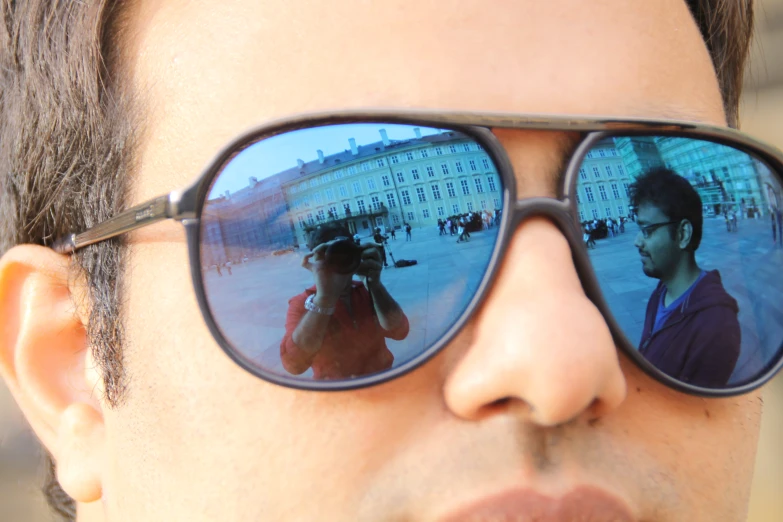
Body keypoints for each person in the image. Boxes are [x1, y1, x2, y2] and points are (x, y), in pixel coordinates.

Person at [0, 2, 774, 522]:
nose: (561, 360)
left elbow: (398, 325)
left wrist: (368, 286)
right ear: (71, 368)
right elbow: (301, 354)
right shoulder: (308, 309)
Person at [631, 168, 740, 387]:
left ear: (682, 234)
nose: (637, 242)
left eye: (647, 230)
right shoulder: (661, 293)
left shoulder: (716, 326)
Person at [280, 224, 408, 379]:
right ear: (317, 259)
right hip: (339, 395)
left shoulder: (367, 291)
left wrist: (374, 284)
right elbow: (294, 365)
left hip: (382, 383)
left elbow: (400, 331)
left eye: (345, 253)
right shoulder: (301, 303)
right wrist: (324, 299)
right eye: (332, 256)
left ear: (357, 253)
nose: (339, 261)